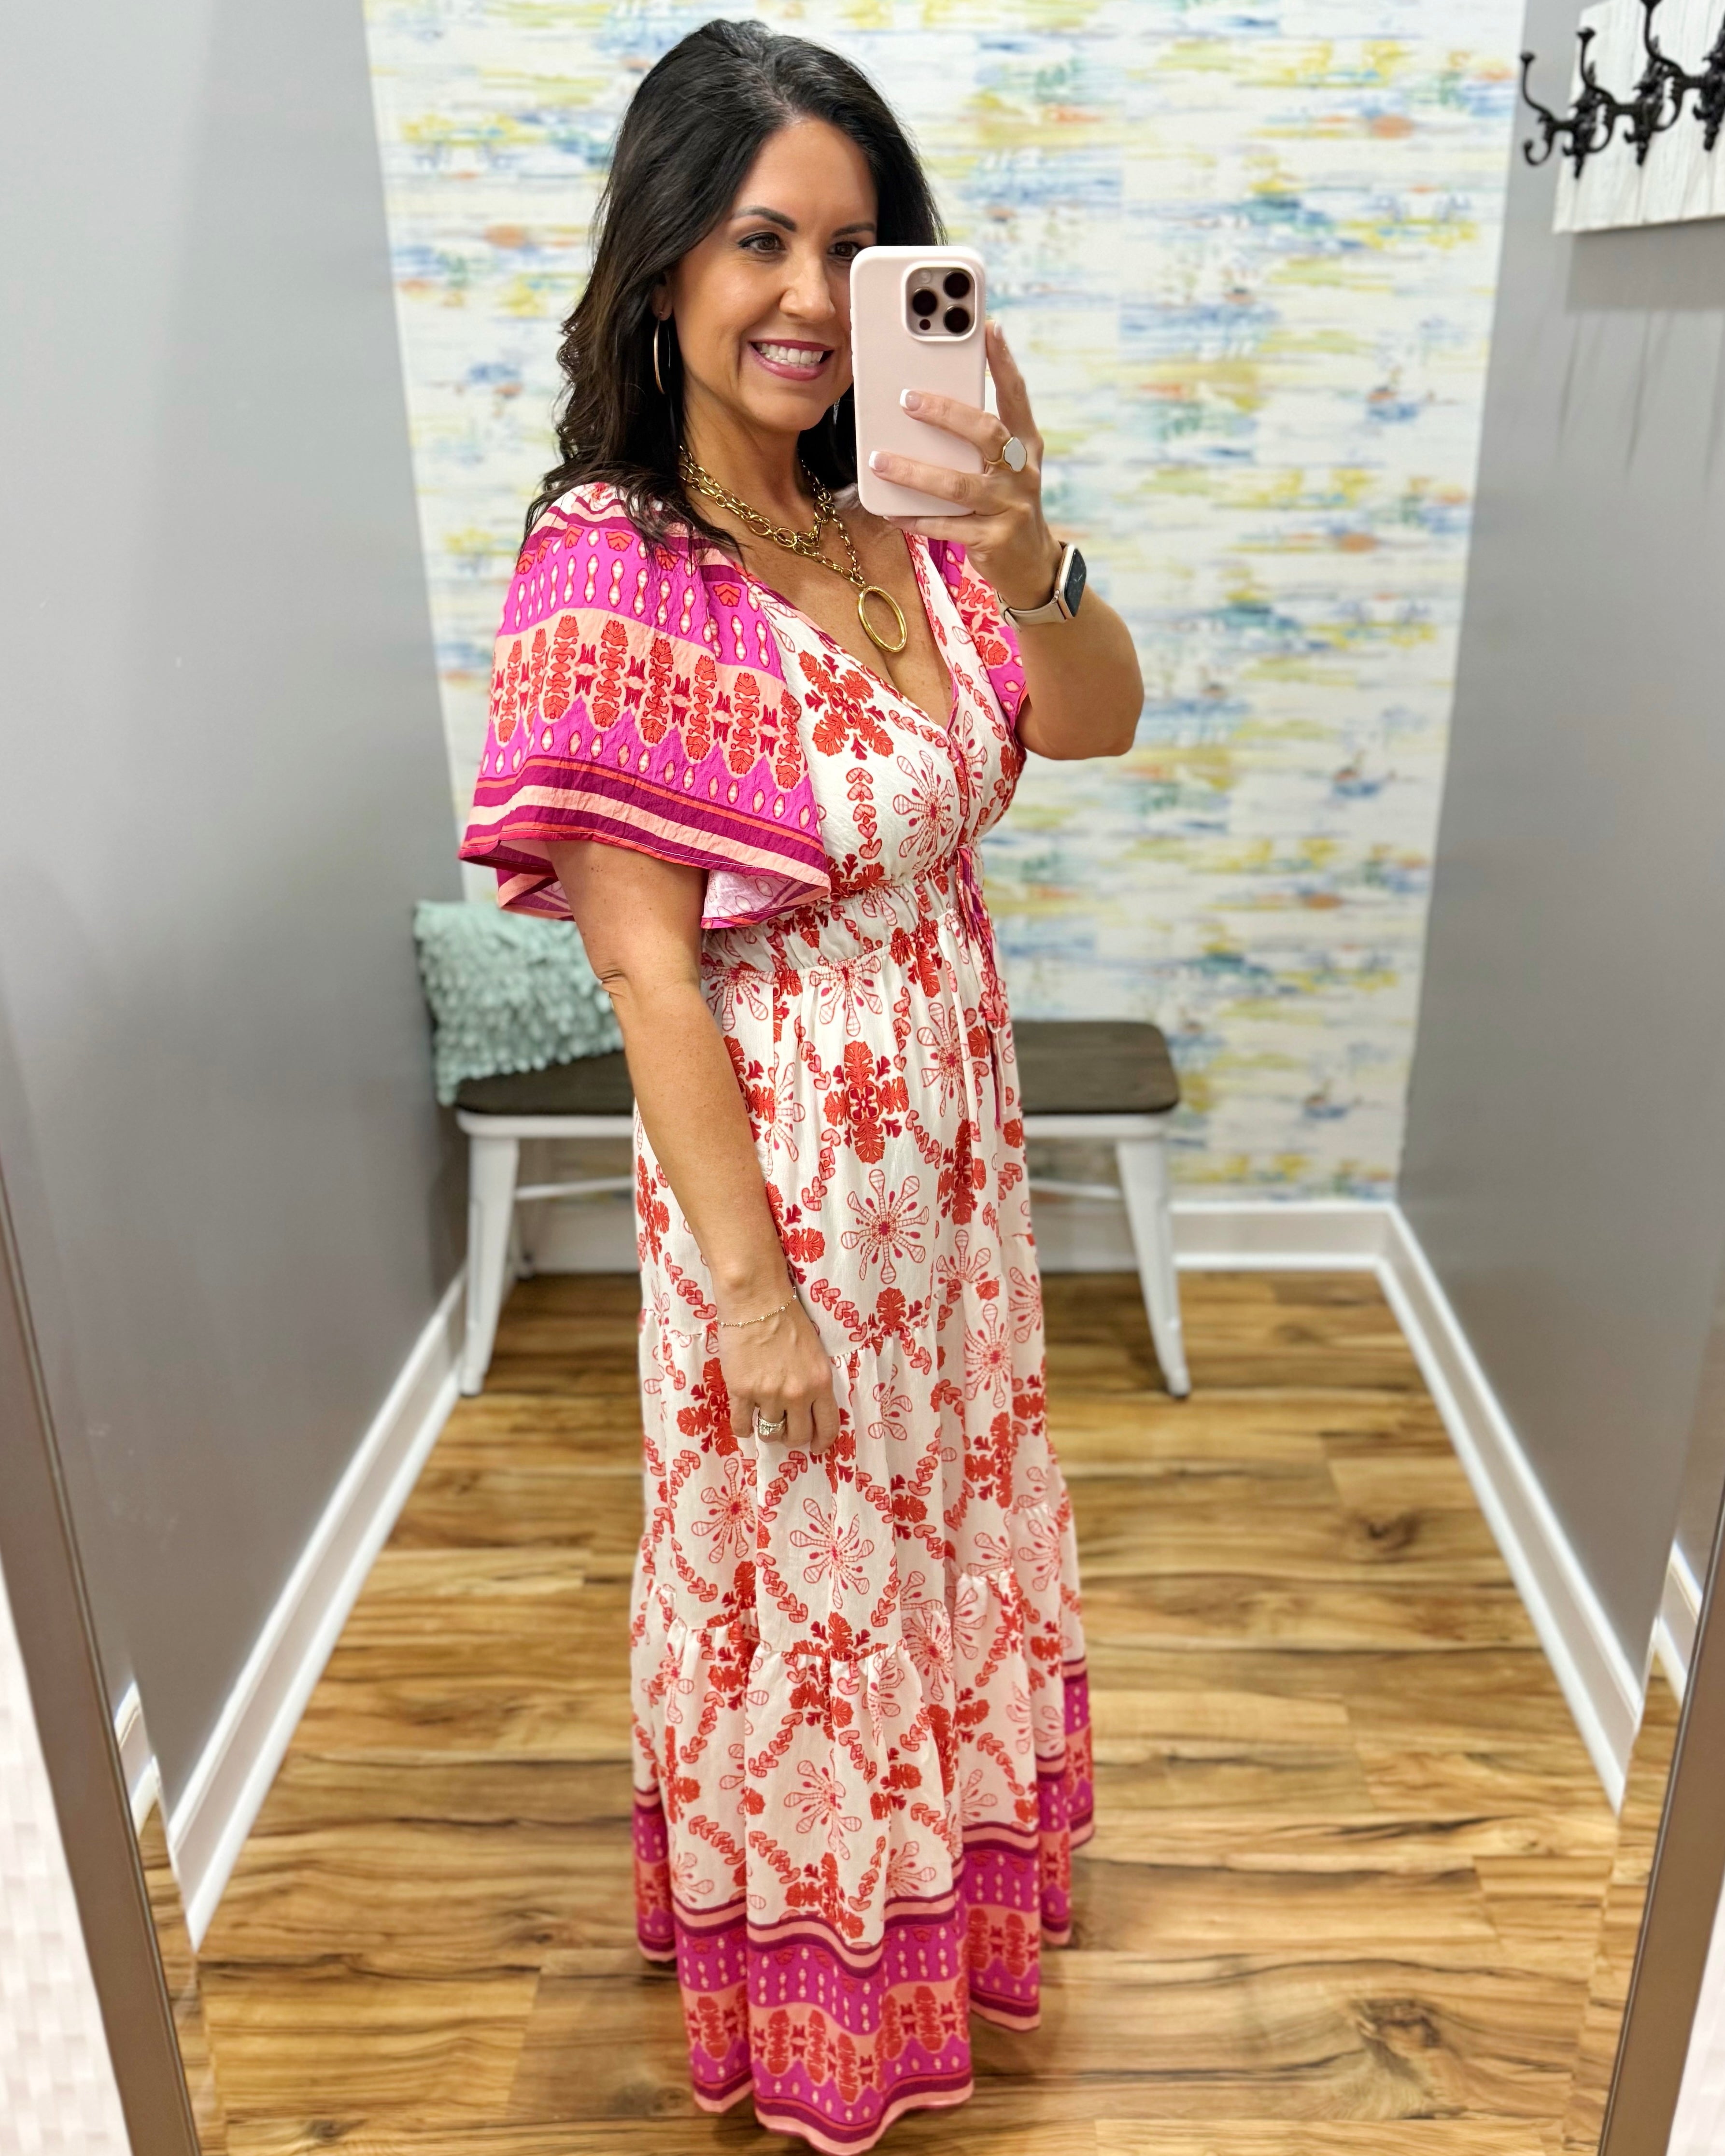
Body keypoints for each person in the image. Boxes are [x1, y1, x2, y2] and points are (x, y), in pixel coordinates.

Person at [461, 20, 1141, 2150]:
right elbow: (647, 969)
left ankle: (938, 1901)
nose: (795, 295)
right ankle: (816, 1987)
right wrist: (749, 1294)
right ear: (664, 258)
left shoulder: (907, 510)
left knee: (939, 1543)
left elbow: (1097, 723)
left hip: (950, 1147)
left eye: (847, 250)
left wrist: (1029, 539)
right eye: (757, 237)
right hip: (789, 1188)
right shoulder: (615, 559)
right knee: (807, 1590)